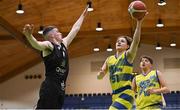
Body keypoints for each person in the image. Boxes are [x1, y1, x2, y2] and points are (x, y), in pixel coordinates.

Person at [23, 6, 88, 109]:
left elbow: (75, 29)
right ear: (52, 36)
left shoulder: (64, 44)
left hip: (61, 88)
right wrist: (29, 36)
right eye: (58, 31)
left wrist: (83, 15)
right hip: (50, 87)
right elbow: (37, 45)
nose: (60, 33)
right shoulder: (48, 45)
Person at [97, 14, 147, 109]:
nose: (119, 42)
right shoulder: (109, 59)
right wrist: (101, 73)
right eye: (117, 41)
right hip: (115, 95)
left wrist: (139, 23)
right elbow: (99, 77)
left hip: (126, 93)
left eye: (122, 41)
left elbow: (136, 41)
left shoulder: (128, 56)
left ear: (128, 46)